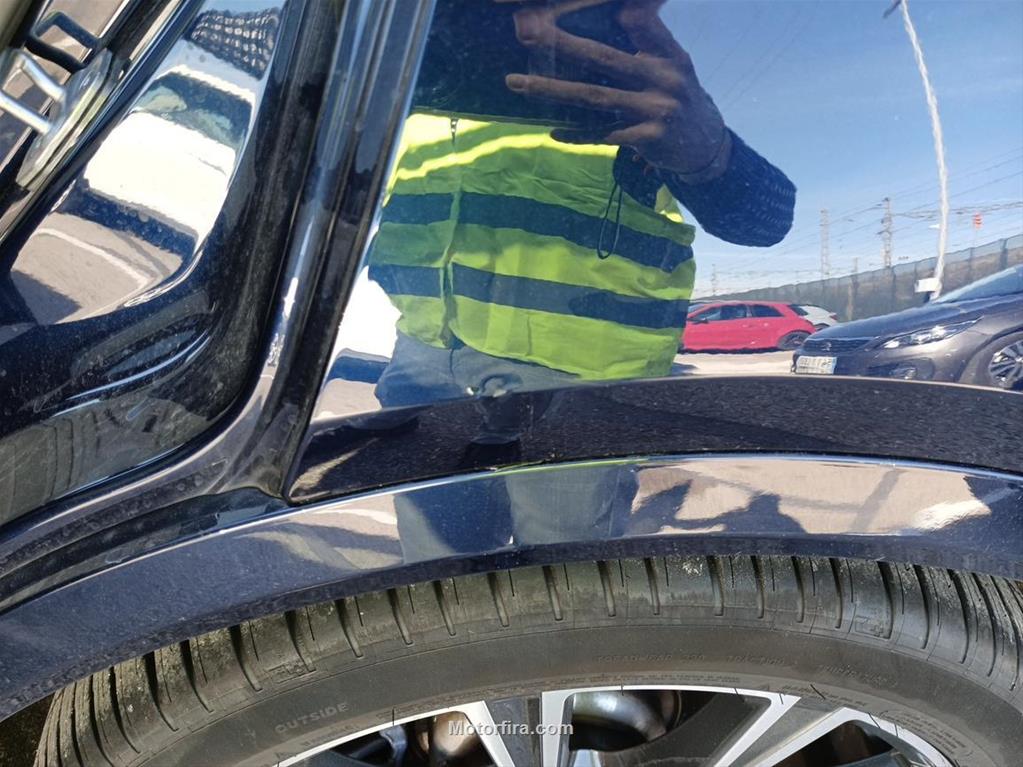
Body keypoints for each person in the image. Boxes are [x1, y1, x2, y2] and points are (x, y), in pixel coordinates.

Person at [363, 0, 797, 557]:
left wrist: (710, 155)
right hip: (423, 353)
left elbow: (766, 218)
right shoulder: (416, 51)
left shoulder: (621, 69)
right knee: (432, 581)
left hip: (575, 379)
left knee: (560, 588)